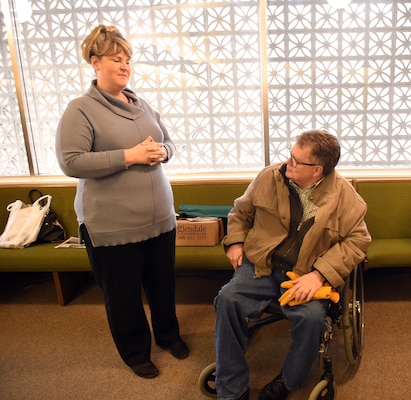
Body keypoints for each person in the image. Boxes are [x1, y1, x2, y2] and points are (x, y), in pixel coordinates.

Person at [55, 24, 188, 379]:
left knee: (163, 284)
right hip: (112, 224)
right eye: (116, 58)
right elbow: (71, 161)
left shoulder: (141, 103)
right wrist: (128, 156)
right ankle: (135, 353)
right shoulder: (81, 109)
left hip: (160, 218)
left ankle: (169, 335)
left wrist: (164, 151)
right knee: (123, 294)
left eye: (128, 59)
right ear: (95, 62)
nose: (125, 65)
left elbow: (170, 143)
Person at [214, 129, 371, 400]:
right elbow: (241, 212)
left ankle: (289, 380)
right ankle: (231, 387)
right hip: (262, 265)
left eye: (297, 161)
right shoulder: (268, 177)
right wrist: (236, 242)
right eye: (290, 155)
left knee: (311, 320)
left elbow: (358, 241)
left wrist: (320, 275)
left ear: (318, 170)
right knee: (227, 299)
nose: (289, 163)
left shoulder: (346, 199)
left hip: (305, 274)